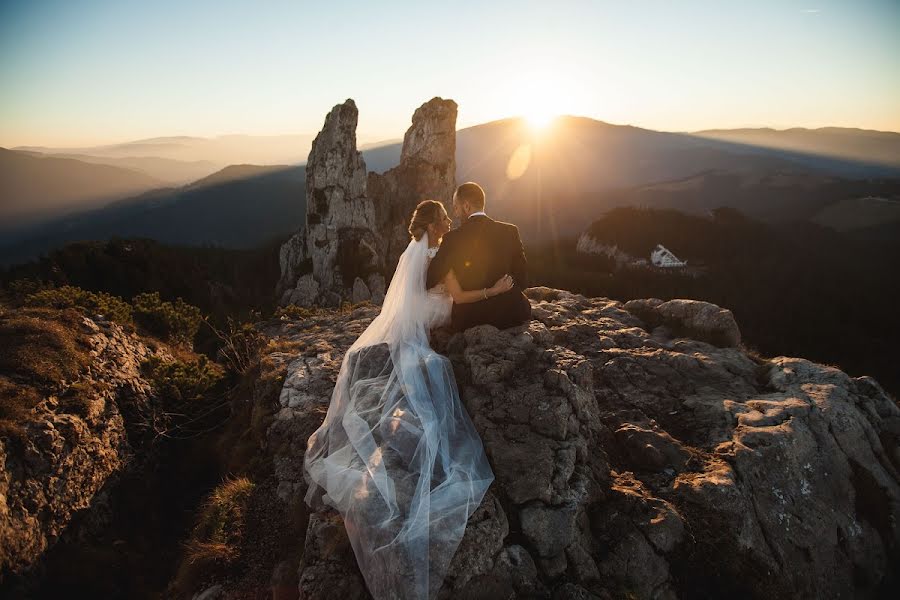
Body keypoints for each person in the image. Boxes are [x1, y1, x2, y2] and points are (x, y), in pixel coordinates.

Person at [302, 199, 510, 600]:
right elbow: (441, 296)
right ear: (432, 223)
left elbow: (422, 287)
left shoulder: (420, 249)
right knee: (456, 306)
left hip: (419, 308)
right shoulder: (425, 251)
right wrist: (489, 291)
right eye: (445, 218)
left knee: (452, 300)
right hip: (424, 316)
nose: (450, 221)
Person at [426, 181, 532, 332]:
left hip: (470, 319)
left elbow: (430, 279)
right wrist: (500, 289)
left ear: (466, 206)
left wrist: (448, 275)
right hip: (512, 315)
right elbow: (522, 279)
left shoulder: (451, 239)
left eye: (456, 208)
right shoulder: (510, 231)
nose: (455, 213)